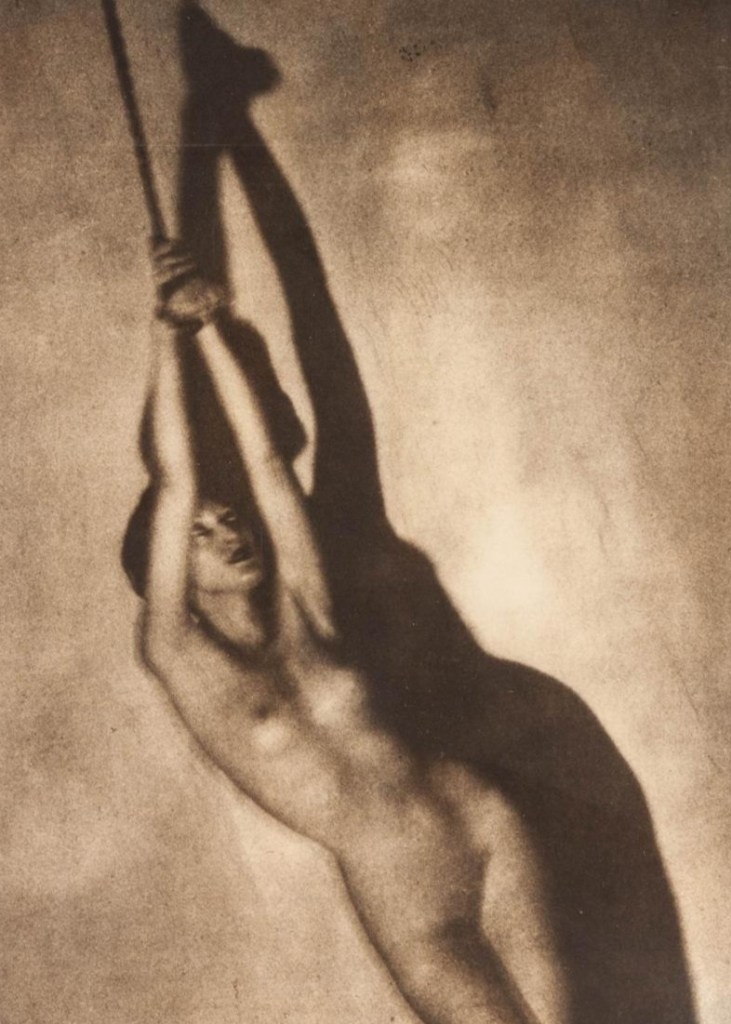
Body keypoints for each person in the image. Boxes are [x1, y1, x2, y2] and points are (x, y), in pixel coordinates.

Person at [123, 240, 568, 1024]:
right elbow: (175, 481)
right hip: (413, 904)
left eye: (229, 521)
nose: (229, 534)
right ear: (170, 575)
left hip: (484, 819)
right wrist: (166, 333)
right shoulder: (179, 656)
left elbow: (268, 462)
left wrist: (210, 325)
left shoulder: (306, 606)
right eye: (201, 535)